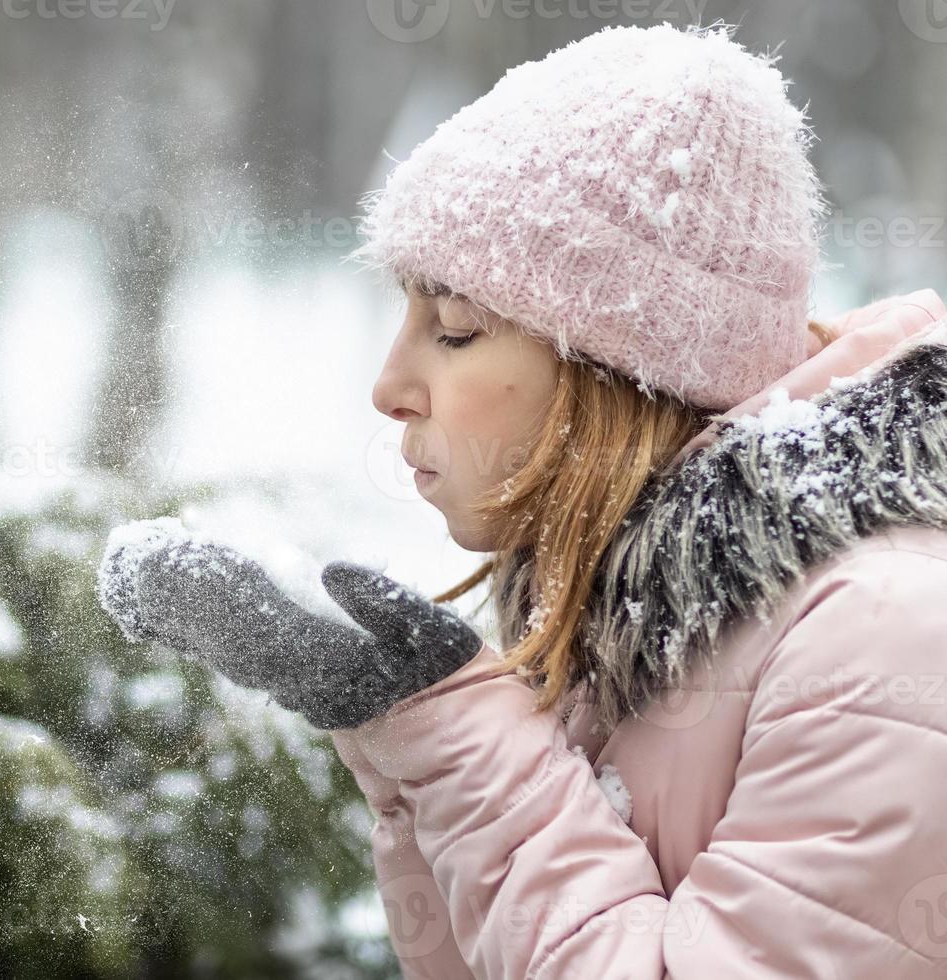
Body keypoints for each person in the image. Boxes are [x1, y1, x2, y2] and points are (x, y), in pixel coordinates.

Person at [98, 20, 947, 978]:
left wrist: (461, 741)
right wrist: (398, 724)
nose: (388, 385)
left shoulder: (883, 635)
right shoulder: (633, 610)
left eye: (453, 328)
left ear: (625, 370)